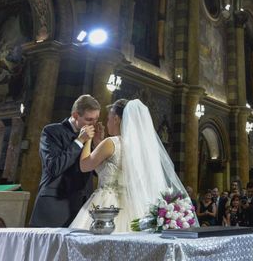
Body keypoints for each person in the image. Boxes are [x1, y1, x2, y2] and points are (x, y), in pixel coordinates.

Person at [69, 99, 198, 232]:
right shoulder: (142, 149)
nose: (107, 124)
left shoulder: (111, 143)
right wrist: (98, 143)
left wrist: (87, 139)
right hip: (133, 204)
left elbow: (84, 165)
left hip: (107, 204)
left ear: (117, 119)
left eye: (109, 119)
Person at [30, 95, 102, 227]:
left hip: (83, 207)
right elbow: (54, 167)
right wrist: (80, 141)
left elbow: (98, 172)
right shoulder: (52, 131)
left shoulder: (92, 136)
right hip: (55, 207)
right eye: (89, 120)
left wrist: (97, 145)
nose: (93, 124)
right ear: (75, 115)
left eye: (96, 119)